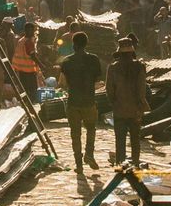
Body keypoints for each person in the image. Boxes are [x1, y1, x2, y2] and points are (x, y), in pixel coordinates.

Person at [58, 31, 104, 170]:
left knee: (75, 134)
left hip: (73, 102)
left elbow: (63, 84)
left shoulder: (66, 61)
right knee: (91, 129)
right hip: (89, 101)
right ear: (86, 44)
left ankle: (78, 164)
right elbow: (97, 80)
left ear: (73, 44)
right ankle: (89, 155)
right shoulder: (94, 59)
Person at [104, 36, 150, 166]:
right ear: (132, 52)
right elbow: (142, 90)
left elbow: (109, 90)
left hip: (119, 110)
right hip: (135, 110)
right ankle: (135, 164)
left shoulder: (112, 68)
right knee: (135, 141)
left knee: (120, 142)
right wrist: (140, 107)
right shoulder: (140, 67)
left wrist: (114, 103)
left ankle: (120, 166)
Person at [10, 17, 43, 100]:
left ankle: (27, 103)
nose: (33, 32)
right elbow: (32, 56)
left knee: (25, 89)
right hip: (29, 70)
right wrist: (41, 65)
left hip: (21, 69)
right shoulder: (28, 41)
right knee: (31, 90)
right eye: (32, 30)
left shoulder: (21, 40)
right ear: (27, 30)